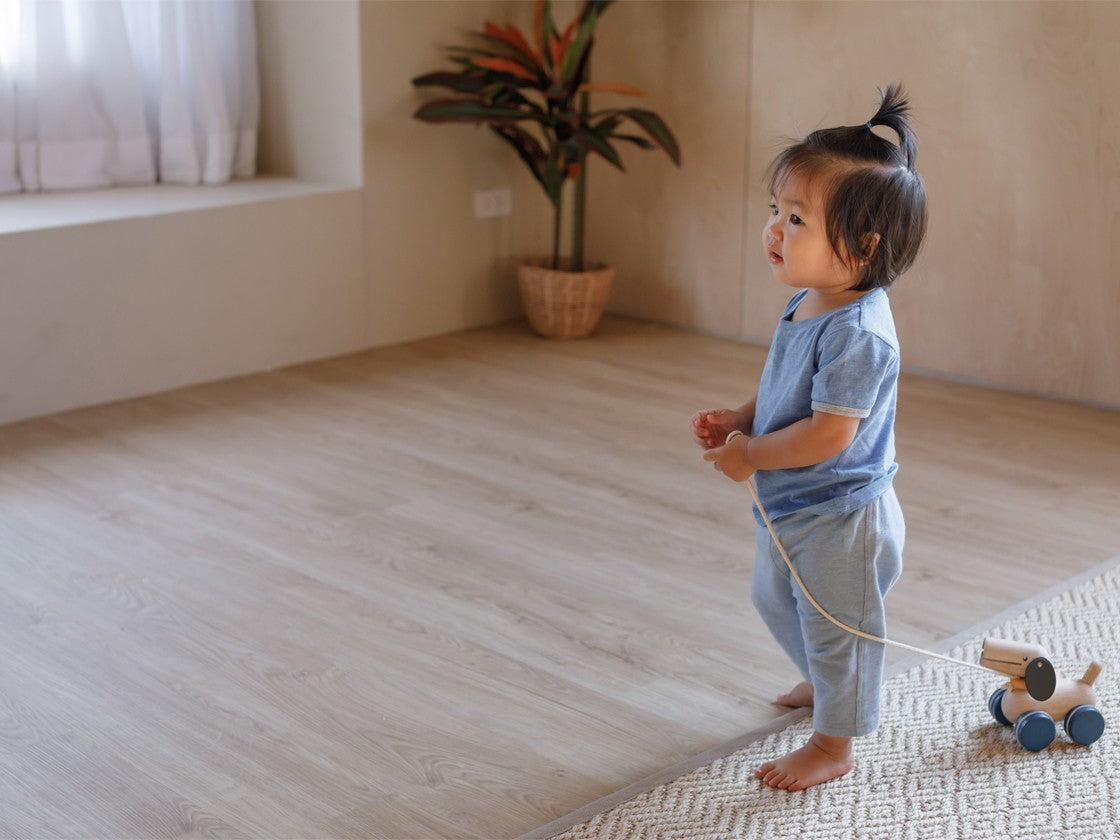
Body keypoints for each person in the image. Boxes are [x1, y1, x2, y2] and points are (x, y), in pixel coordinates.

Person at [691, 84, 928, 791]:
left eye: (796, 218)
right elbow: (785, 383)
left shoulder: (859, 334)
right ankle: (826, 685)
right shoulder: (809, 302)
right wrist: (743, 417)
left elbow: (827, 432)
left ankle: (834, 743)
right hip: (794, 504)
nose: (773, 229)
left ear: (862, 245)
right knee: (773, 598)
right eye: (775, 210)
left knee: (838, 629)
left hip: (841, 517)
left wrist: (750, 455)